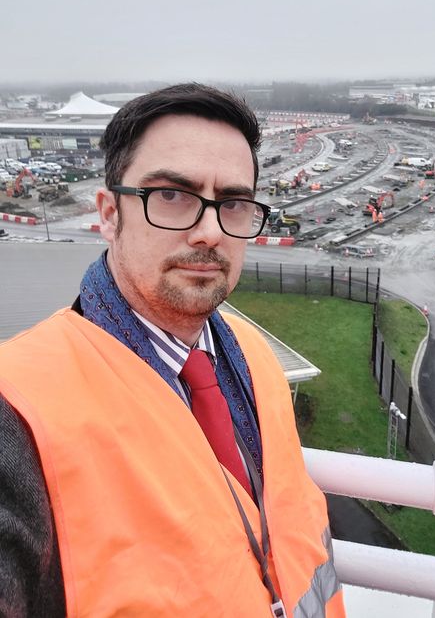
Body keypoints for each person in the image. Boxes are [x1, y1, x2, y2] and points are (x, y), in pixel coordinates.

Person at [0, 84, 345, 617]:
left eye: (232, 203)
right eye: (172, 195)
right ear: (109, 214)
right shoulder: (17, 407)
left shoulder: (253, 356)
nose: (209, 231)